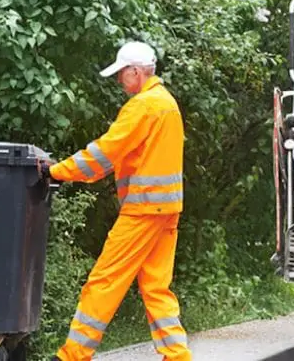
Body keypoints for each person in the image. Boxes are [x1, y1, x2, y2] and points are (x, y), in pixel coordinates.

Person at [40, 41, 192, 361]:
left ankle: (72, 355)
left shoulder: (143, 106)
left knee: (105, 280)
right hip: (166, 210)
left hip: (143, 209)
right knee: (155, 287)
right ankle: (177, 356)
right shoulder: (166, 103)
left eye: (122, 73)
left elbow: (104, 152)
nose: (119, 80)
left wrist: (57, 171)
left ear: (136, 72)